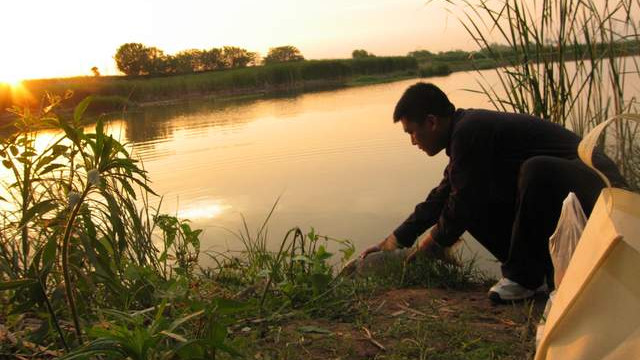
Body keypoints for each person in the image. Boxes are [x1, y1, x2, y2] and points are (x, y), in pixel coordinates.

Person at [360, 82, 626, 302]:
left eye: (413, 133)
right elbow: (442, 196)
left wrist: (434, 242)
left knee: (534, 170)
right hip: (572, 198)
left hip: (605, 192)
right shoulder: (464, 135)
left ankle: (524, 279)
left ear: (431, 122)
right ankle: (539, 275)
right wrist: (393, 241)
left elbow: (462, 199)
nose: (413, 142)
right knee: (468, 198)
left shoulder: (470, 130)